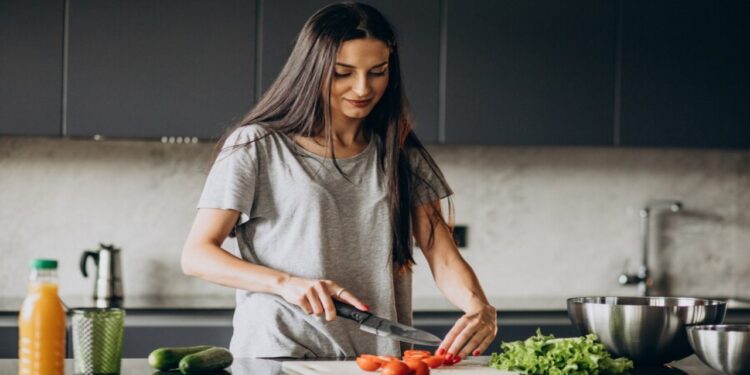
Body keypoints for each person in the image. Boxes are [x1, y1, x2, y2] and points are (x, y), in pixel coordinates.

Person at [181, 1, 497, 360]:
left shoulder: (400, 154)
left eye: (377, 72)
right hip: (281, 354)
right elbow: (196, 255)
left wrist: (479, 308)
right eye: (342, 72)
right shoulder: (257, 146)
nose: (363, 88)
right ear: (312, 69)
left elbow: (441, 253)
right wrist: (285, 284)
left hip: (375, 360)